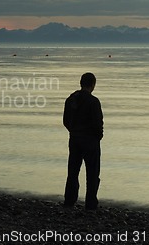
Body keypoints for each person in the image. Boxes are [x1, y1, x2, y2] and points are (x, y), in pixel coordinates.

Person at [63, 72, 103, 210]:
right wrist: (99, 136)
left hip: (75, 139)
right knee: (92, 173)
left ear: (81, 83)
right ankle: (90, 203)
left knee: (73, 171)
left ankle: (69, 200)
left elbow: (65, 121)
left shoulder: (71, 99)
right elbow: (98, 123)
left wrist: (73, 131)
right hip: (90, 141)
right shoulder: (93, 101)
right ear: (93, 84)